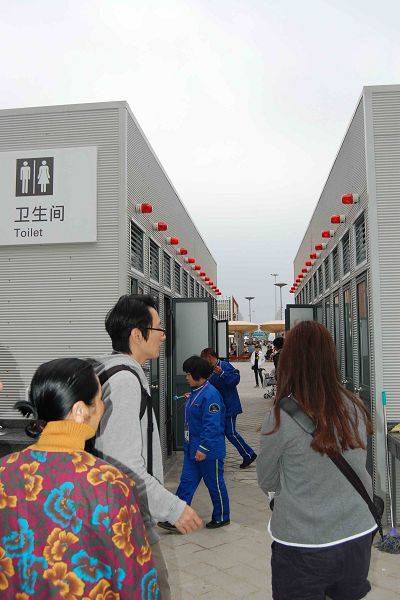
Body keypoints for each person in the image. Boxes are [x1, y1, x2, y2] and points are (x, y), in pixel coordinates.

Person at [0, 357, 159, 599]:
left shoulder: (4, 472)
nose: (103, 407)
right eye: (100, 399)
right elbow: (136, 580)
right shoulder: (109, 483)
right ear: (80, 411)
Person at [257, 321, 375, 600]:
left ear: (289, 360)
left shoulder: (280, 416)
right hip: (357, 534)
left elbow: (267, 480)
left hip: (302, 543)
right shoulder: (355, 406)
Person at [94, 294, 202, 599]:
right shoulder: (125, 382)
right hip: (126, 518)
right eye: (158, 328)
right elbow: (123, 465)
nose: (163, 336)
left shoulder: (110, 370)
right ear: (137, 335)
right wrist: (173, 508)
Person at [159, 356, 230, 532]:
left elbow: (212, 426)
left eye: (188, 374)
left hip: (208, 451)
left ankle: (222, 516)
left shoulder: (211, 395)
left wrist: (203, 448)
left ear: (198, 375)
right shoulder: (196, 391)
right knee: (186, 483)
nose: (186, 377)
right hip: (192, 448)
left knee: (214, 484)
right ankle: (176, 518)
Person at [201, 347, 257, 469]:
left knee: (230, 432)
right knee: (223, 432)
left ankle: (248, 454)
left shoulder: (225, 366)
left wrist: (222, 373)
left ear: (209, 357)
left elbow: (235, 380)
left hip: (229, 406)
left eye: (204, 359)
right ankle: (220, 456)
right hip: (219, 408)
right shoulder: (210, 370)